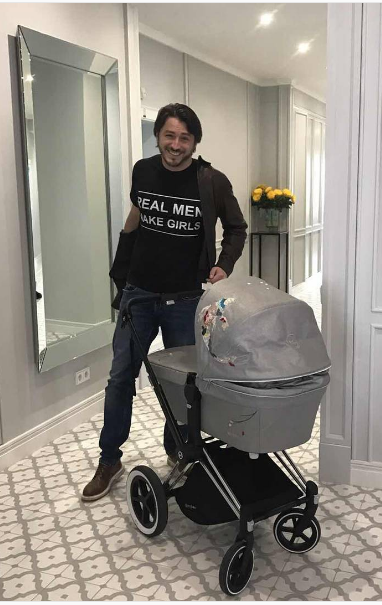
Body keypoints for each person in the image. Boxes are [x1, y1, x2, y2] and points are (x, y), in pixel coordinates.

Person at [82, 103, 247, 501]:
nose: (176, 144)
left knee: (183, 383)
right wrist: (121, 269)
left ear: (195, 142)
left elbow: (237, 228)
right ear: (158, 136)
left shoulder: (211, 181)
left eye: (184, 138)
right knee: (120, 379)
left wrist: (223, 265)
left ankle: (179, 450)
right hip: (139, 294)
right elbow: (137, 214)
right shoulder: (143, 170)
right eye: (169, 135)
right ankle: (109, 460)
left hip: (186, 298)